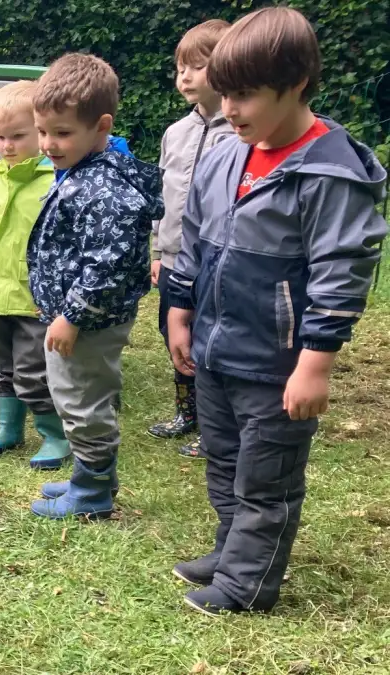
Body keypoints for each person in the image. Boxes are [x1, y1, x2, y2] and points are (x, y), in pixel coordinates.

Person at [166, 6, 387, 616]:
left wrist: (314, 365)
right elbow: (194, 238)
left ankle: (247, 583)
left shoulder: (331, 173)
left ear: (296, 85)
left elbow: (340, 273)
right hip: (216, 348)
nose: (230, 109)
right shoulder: (224, 155)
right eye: (224, 94)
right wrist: (180, 310)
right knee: (224, 459)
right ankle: (231, 550)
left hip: (276, 361)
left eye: (244, 96)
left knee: (268, 475)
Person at [25, 53, 164, 520]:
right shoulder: (82, 172)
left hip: (88, 321)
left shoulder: (104, 188)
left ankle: (93, 491)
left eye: (62, 133)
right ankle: (89, 476)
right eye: (42, 131)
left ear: (101, 126)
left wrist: (72, 316)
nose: (48, 143)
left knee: (83, 400)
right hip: (76, 317)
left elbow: (108, 264)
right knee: (73, 395)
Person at [0, 79, 70, 470]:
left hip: (34, 301)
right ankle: (9, 428)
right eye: (0, 136)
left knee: (34, 370)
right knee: (0, 365)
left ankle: (55, 435)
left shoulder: (55, 183)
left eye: (18, 136)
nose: (7, 145)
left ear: (41, 132)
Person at [148, 19, 234, 459]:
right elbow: (163, 197)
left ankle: (216, 425)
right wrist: (158, 250)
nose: (185, 77)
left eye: (197, 67)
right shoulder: (175, 133)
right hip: (174, 259)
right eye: (180, 67)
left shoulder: (239, 132)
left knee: (210, 340)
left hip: (217, 262)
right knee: (173, 333)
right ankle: (187, 413)